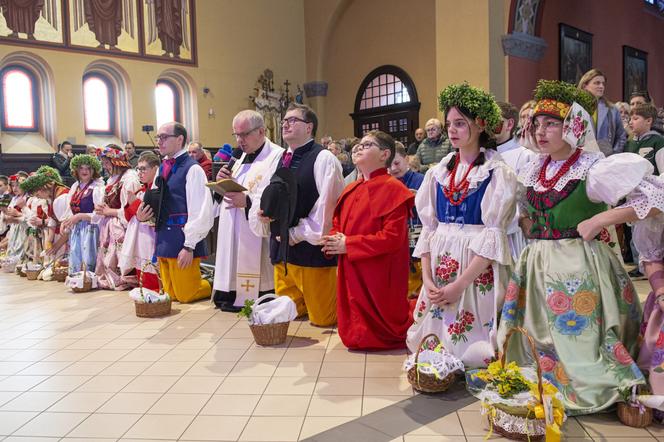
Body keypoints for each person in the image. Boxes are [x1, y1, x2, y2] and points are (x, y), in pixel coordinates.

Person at [497, 79, 663, 415]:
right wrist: (530, 226)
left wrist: (601, 221)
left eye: (552, 124)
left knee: (579, 341)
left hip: (581, 266)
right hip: (538, 264)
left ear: (573, 126)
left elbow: (655, 199)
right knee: (536, 335)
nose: (541, 132)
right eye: (537, 124)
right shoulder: (534, 167)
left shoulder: (594, 168)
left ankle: (587, 381)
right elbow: (524, 209)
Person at [406, 83, 517, 367]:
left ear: (480, 125)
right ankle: (440, 362)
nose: (452, 130)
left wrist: (460, 284)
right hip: (442, 259)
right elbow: (429, 231)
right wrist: (428, 279)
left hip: (473, 266)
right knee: (435, 335)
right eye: (449, 124)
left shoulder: (496, 172)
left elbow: (494, 236)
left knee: (474, 345)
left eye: (459, 123)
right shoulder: (438, 172)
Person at [251, 103, 344, 326]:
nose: (285, 124)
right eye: (284, 121)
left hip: (309, 251)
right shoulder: (279, 158)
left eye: (292, 120)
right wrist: (263, 214)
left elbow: (327, 207)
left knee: (323, 319)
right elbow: (265, 193)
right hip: (282, 252)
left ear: (309, 126)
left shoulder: (323, 159)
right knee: (288, 313)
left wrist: (295, 234)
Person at [323, 130, 414, 350]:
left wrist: (349, 244)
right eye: (359, 145)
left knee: (382, 318)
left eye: (367, 144)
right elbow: (338, 223)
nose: (359, 147)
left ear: (384, 154)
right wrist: (334, 241)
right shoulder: (351, 187)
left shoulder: (394, 188)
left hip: (379, 270)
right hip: (351, 265)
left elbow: (392, 238)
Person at [212, 110, 282, 312]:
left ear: (261, 131)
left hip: (253, 226)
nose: (239, 140)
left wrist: (248, 201)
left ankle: (256, 296)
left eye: (244, 134)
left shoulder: (276, 156)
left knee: (257, 270)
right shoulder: (240, 157)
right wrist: (221, 182)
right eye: (236, 135)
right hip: (232, 221)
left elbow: (273, 194)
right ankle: (229, 292)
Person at [145, 122, 213, 303]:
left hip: (182, 241)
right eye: (158, 137)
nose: (159, 141)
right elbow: (156, 201)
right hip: (164, 239)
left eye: (164, 137)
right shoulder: (161, 167)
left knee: (185, 295)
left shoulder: (193, 169)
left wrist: (189, 246)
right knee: (171, 295)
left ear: (180, 139)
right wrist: (144, 215)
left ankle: (211, 283)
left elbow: (201, 211)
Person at [93, 146, 141, 289]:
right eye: (103, 163)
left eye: (107, 163)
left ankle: (125, 278)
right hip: (109, 224)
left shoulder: (129, 179)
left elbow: (130, 210)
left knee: (121, 253)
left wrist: (109, 211)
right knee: (108, 254)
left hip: (121, 224)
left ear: (116, 162)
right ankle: (112, 277)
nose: (104, 166)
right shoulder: (112, 179)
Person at [495, 101, 537, 261]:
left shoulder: (525, 155)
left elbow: (526, 200)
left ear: (510, 124)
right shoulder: (482, 155)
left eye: (495, 121)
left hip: (514, 233)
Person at [118, 151, 161, 291]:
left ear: (155, 169)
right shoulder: (141, 190)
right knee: (141, 269)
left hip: (151, 237)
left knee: (152, 270)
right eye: (138, 169)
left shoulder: (158, 190)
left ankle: (154, 294)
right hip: (138, 237)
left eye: (143, 169)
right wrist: (131, 204)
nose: (140, 173)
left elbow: (150, 215)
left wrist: (135, 204)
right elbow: (129, 217)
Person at [389, 144, 424, 298]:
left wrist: (420, 199)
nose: (392, 168)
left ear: (407, 159)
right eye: (388, 165)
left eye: (396, 163)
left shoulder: (422, 180)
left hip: (418, 236)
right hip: (396, 240)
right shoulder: (387, 183)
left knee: (418, 286)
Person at [61, 155, 104, 275]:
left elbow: (100, 214)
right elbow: (70, 209)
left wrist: (80, 216)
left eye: (88, 168)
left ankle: (88, 280)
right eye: (81, 168)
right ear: (77, 170)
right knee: (75, 256)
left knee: (88, 259)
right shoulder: (75, 186)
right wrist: (66, 221)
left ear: (93, 170)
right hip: (77, 228)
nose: (84, 171)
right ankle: (77, 280)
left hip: (91, 229)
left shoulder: (97, 187)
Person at [578, 68, 627, 156]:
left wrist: (614, 154)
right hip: (581, 158)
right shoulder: (576, 107)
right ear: (585, 85)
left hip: (607, 159)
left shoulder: (612, 109)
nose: (601, 86)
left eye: (603, 83)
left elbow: (621, 136)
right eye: (597, 83)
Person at [625, 103, 664, 174]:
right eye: (630, 119)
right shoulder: (628, 142)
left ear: (648, 121)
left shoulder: (659, 141)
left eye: (635, 119)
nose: (630, 122)